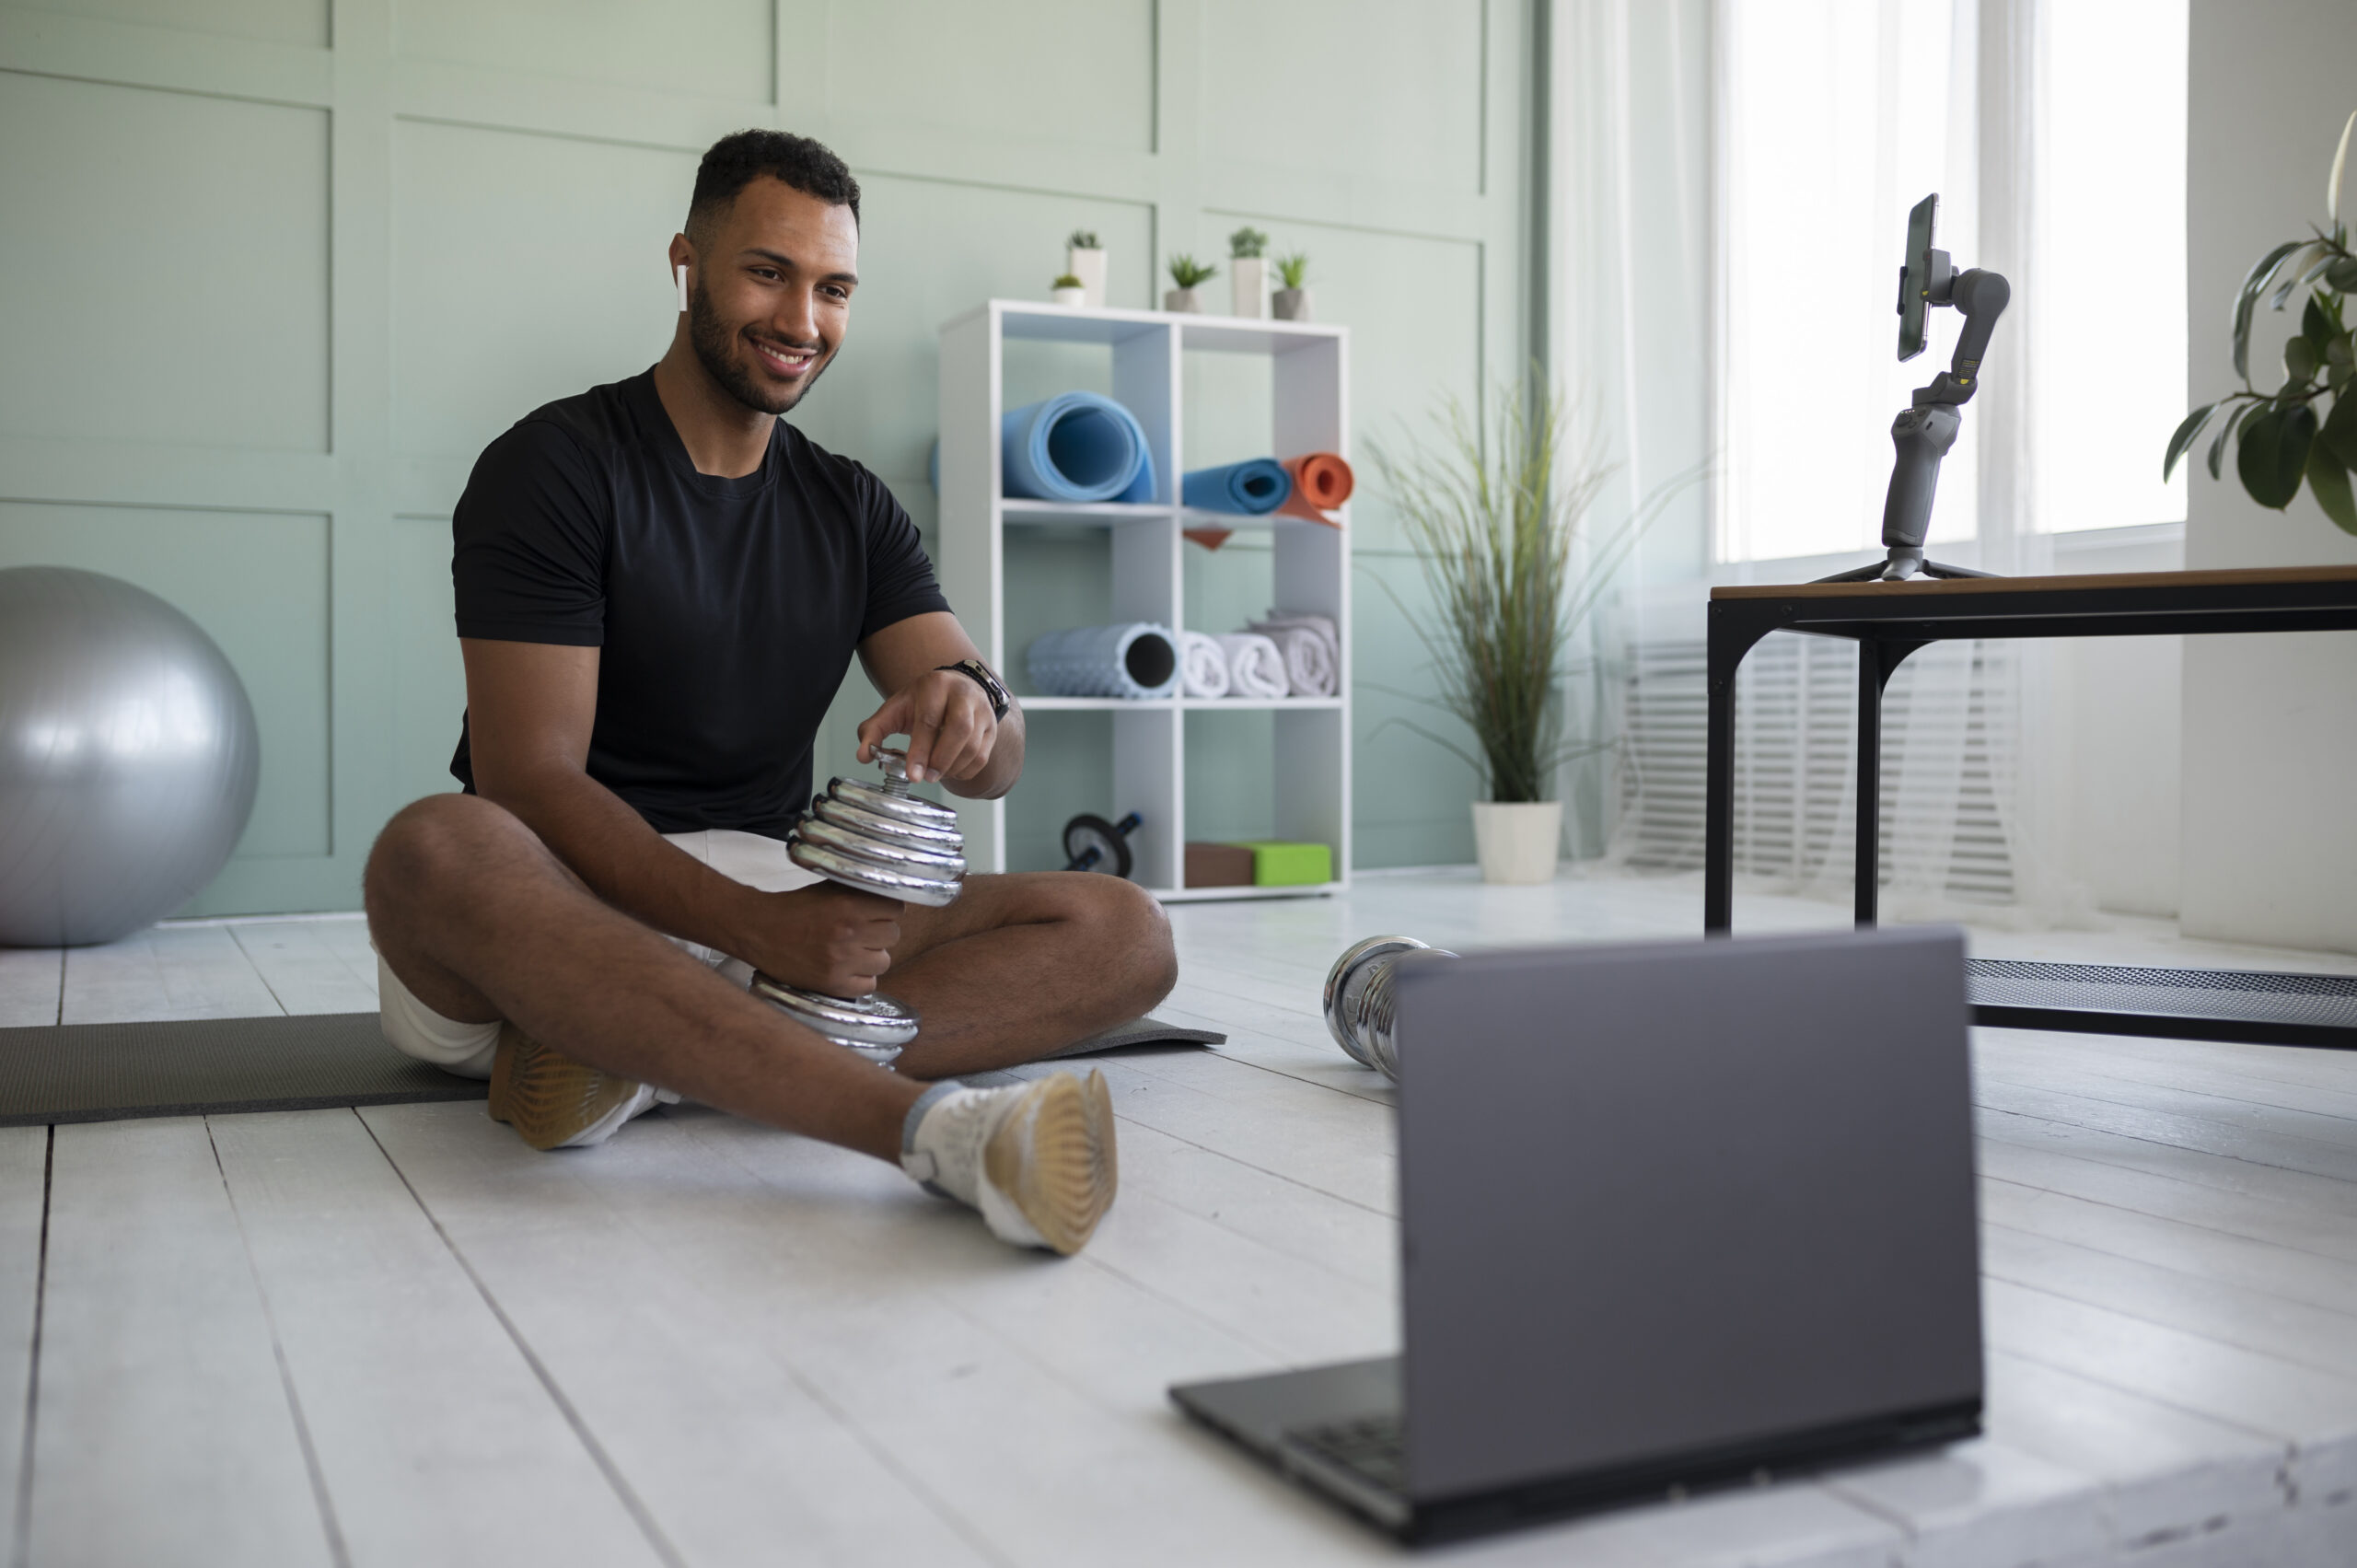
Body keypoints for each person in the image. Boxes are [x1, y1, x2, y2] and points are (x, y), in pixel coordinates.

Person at [363, 129, 1176, 1256]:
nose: (802, 321)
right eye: (767, 272)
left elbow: (994, 746)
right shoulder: (552, 464)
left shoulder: (849, 504)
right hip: (561, 912)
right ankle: (936, 1132)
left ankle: (637, 1066)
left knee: (1122, 930)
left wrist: (977, 707)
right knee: (433, 845)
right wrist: (763, 931)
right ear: (686, 261)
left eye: (833, 288)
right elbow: (530, 778)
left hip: (768, 897)